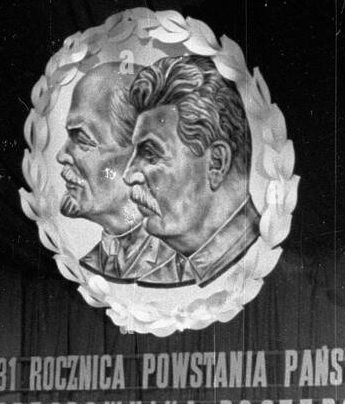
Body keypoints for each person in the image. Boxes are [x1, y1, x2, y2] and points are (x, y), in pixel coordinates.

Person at [124, 54, 261, 286]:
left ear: (217, 162)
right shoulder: (161, 278)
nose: (128, 176)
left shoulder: (260, 258)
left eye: (150, 154)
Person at [56, 63, 178, 284]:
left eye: (82, 140)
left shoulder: (178, 267)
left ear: (140, 154)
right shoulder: (91, 266)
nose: (62, 155)